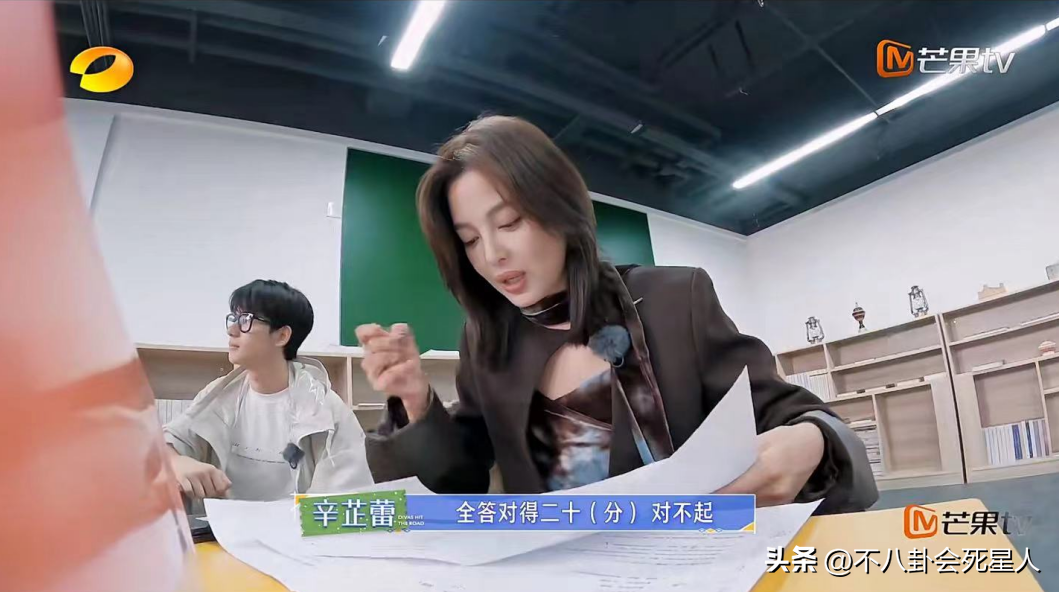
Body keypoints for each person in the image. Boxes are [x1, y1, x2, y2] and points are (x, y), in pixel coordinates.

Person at [361, 116, 877, 513]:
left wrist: (809, 440)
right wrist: (414, 400)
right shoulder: (486, 340)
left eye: (510, 222)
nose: (492, 254)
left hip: (700, 564)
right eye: (471, 240)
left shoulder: (676, 299)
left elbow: (792, 417)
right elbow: (461, 480)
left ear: (559, 209)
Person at [163, 280, 373, 502]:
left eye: (246, 320)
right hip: (223, 524)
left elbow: (346, 500)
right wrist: (176, 461)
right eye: (234, 319)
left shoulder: (326, 410)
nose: (232, 330)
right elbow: (164, 443)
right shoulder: (217, 395)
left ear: (282, 336)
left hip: (299, 524)